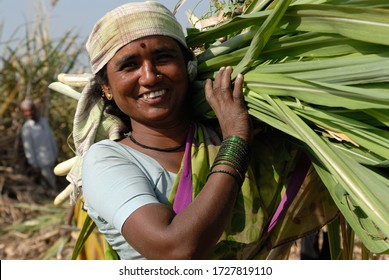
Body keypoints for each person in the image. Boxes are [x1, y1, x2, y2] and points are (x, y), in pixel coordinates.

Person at [68, 1, 337, 260]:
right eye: (130, 65)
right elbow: (175, 251)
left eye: (163, 57)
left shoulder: (225, 135)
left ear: (187, 67)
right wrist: (235, 141)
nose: (149, 76)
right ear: (105, 87)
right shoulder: (107, 160)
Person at [20, 99, 58, 191]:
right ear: (24, 113)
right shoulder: (27, 128)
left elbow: (51, 139)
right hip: (41, 162)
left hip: (52, 157)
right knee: (48, 183)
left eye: (32, 110)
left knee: (54, 179)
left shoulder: (44, 121)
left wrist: (56, 154)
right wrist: (33, 164)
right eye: (27, 111)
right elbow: (28, 148)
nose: (30, 113)